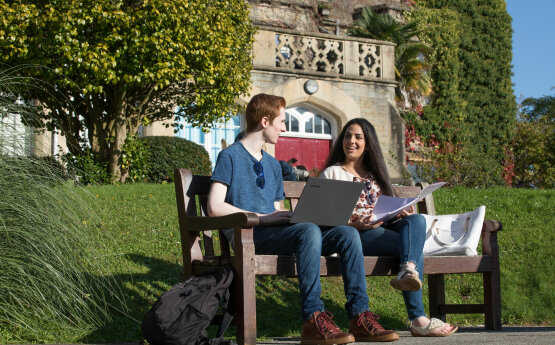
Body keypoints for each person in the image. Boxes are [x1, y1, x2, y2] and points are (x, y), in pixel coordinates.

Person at [208, 95, 399, 344]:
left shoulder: (273, 165)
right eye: (282, 121)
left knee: (347, 233)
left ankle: (359, 316)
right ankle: (313, 319)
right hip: (248, 234)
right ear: (265, 121)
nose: (285, 128)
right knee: (308, 230)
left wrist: (291, 216)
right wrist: (264, 218)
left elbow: (277, 209)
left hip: (275, 233)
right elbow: (214, 207)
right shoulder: (230, 156)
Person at [319, 118, 458, 337]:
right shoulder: (332, 173)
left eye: (358, 137)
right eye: (347, 136)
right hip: (354, 237)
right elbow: (324, 217)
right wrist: (354, 223)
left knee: (417, 221)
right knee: (412, 247)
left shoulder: (375, 176)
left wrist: (398, 211)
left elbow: (384, 210)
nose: (351, 141)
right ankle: (418, 318)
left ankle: (407, 270)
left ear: (368, 143)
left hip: (381, 230)